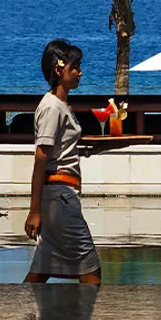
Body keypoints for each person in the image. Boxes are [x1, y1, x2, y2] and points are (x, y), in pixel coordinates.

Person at [24, 39, 102, 284]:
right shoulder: (52, 108)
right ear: (59, 70)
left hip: (61, 195)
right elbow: (41, 158)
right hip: (59, 197)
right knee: (90, 271)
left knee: (41, 272)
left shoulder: (61, 106)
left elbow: (62, 149)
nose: (80, 72)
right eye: (75, 67)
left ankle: (19, 316)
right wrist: (34, 211)